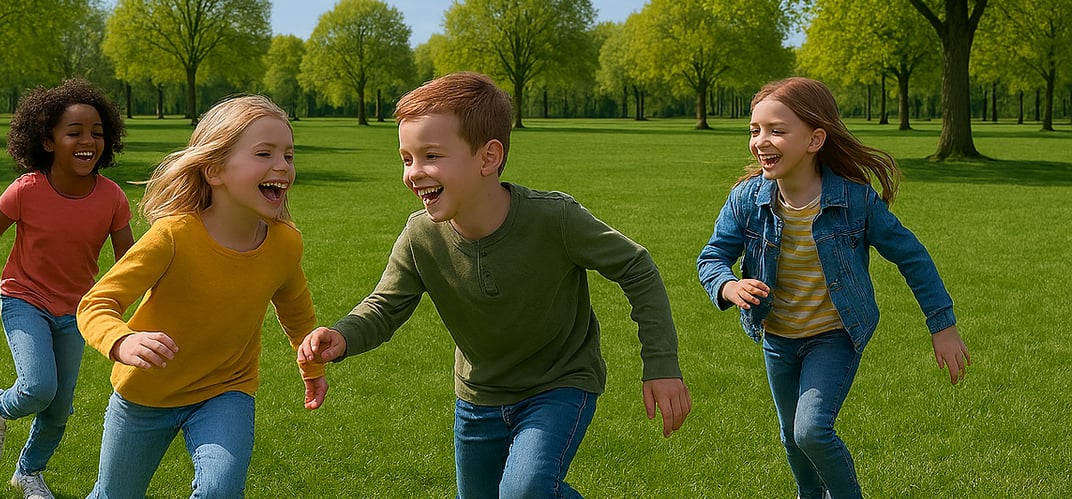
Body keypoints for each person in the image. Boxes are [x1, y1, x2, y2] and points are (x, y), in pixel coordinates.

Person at [297, 71, 691, 498]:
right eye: (406, 159)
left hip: (557, 384)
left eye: (431, 155)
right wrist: (342, 336)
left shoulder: (554, 219)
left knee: (525, 492)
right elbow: (385, 306)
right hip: (477, 397)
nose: (414, 173)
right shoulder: (420, 236)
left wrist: (661, 363)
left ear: (488, 158)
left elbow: (636, 267)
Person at [696, 77, 970, 498]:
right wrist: (729, 286)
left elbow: (912, 256)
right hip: (778, 339)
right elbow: (712, 256)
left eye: (776, 130)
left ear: (815, 139)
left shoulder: (856, 201)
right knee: (792, 437)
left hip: (834, 335)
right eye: (755, 130)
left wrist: (942, 325)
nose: (761, 141)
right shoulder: (747, 200)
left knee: (811, 430)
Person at [77, 95, 327, 498]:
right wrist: (121, 340)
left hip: (226, 390)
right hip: (146, 393)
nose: (282, 166)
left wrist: (312, 365)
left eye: (288, 155)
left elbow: (297, 312)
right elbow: (96, 303)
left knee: (220, 491)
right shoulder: (173, 236)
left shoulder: (285, 244)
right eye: (264, 153)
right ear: (215, 170)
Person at [0, 79, 135, 498]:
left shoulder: (112, 198)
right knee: (38, 387)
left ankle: (28, 473)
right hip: (25, 299)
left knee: (57, 410)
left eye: (96, 132)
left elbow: (130, 262)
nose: (88, 141)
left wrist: (125, 311)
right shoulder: (27, 189)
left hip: (77, 312)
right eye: (74, 132)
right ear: (47, 141)